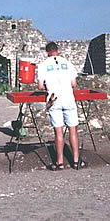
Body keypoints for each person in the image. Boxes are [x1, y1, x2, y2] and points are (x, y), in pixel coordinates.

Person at [38, 42, 87, 170]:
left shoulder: (43, 65)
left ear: (47, 52)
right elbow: (74, 83)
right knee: (73, 129)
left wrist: (47, 87)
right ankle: (76, 161)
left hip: (54, 99)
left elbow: (40, 86)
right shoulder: (67, 63)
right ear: (58, 51)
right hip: (68, 98)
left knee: (58, 131)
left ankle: (60, 162)